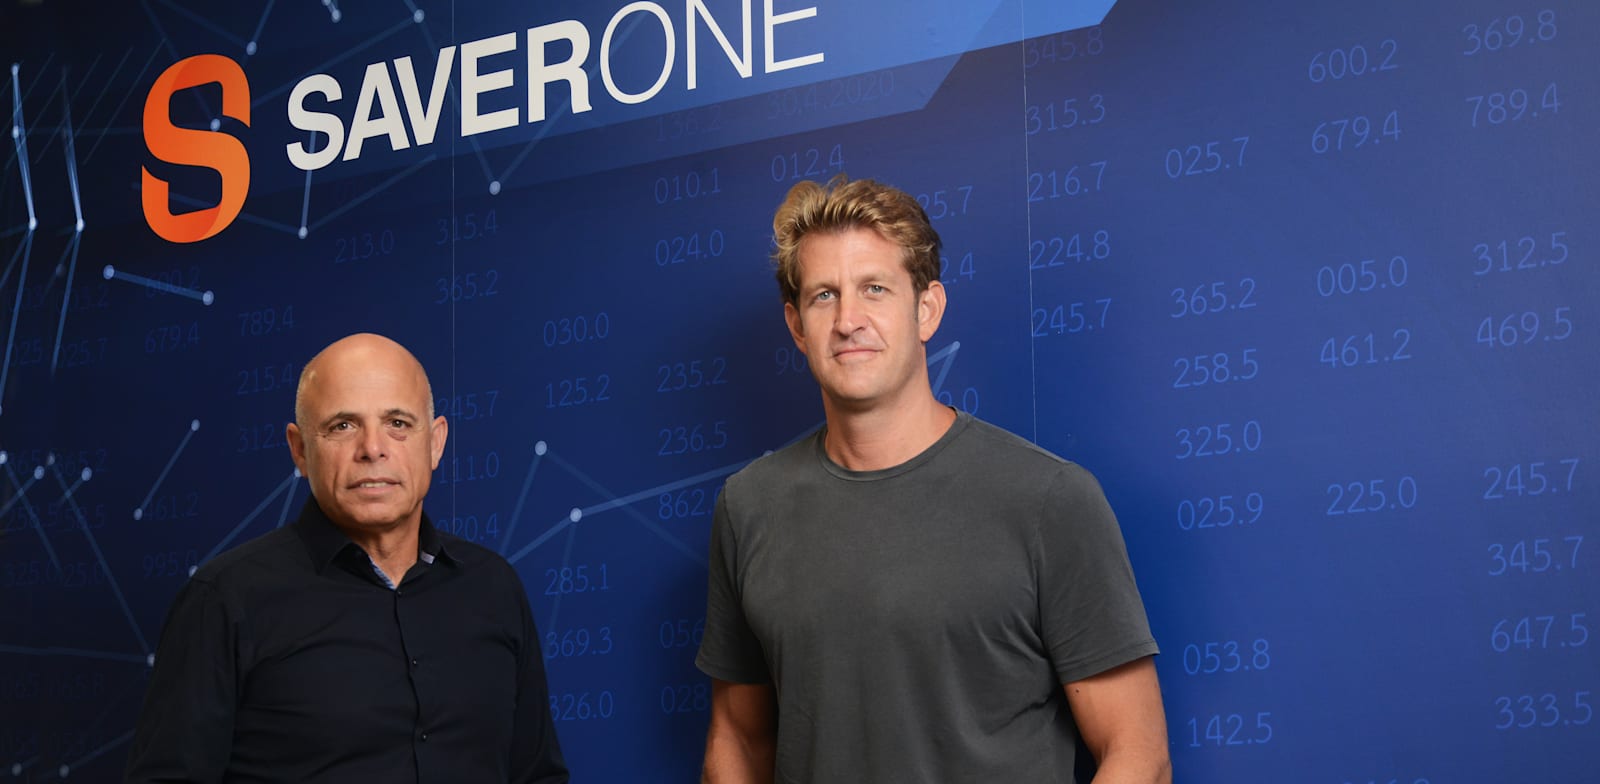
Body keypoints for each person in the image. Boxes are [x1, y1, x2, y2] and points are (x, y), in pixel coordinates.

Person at [696, 176, 1170, 783]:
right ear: (796, 326)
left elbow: (1138, 752)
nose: (848, 320)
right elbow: (737, 737)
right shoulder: (748, 506)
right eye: (823, 296)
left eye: (874, 289)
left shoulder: (1048, 500)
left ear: (927, 309)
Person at [126, 333, 568, 783]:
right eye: (343, 426)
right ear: (300, 449)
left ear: (435, 443)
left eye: (398, 422)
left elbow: (538, 776)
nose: (373, 448)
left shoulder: (494, 588)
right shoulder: (225, 600)